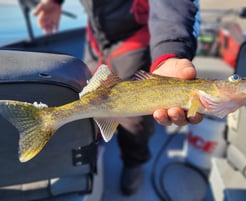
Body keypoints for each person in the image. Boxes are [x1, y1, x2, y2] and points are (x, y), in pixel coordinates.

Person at [33, 0, 202, 196]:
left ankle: (132, 162)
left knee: (136, 118)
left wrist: (170, 48)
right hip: (96, 36)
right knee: (85, 94)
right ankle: (91, 146)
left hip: (136, 35)